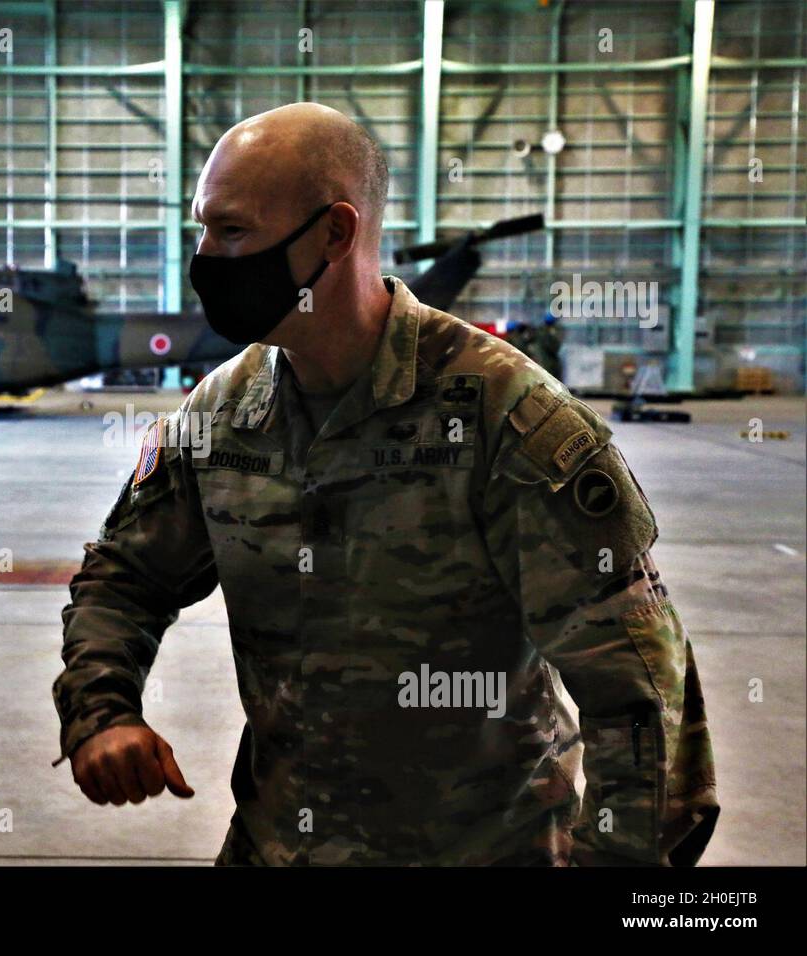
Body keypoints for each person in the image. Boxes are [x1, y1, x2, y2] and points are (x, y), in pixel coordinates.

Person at [53, 103, 719, 866]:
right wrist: (102, 711)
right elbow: (123, 577)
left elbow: (642, 699)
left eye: (232, 231)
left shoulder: (508, 418)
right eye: (202, 229)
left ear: (335, 233)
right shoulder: (224, 413)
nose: (207, 257)